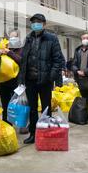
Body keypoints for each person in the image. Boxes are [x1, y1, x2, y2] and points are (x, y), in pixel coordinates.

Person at [17, 14, 64, 144]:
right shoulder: (28, 38)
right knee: (31, 108)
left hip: (45, 81)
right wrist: (21, 79)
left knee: (46, 108)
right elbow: (24, 60)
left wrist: (51, 76)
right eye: (33, 22)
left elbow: (57, 59)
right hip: (30, 80)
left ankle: (46, 133)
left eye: (38, 22)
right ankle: (33, 133)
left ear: (44, 24)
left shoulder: (52, 38)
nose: (35, 24)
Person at [0, 29, 23, 124]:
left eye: (14, 37)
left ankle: (19, 122)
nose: (12, 39)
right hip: (3, 82)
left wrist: (9, 53)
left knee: (16, 104)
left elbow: (22, 61)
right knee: (5, 104)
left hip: (17, 82)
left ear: (18, 38)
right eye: (10, 37)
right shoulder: (3, 48)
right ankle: (6, 124)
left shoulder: (21, 50)